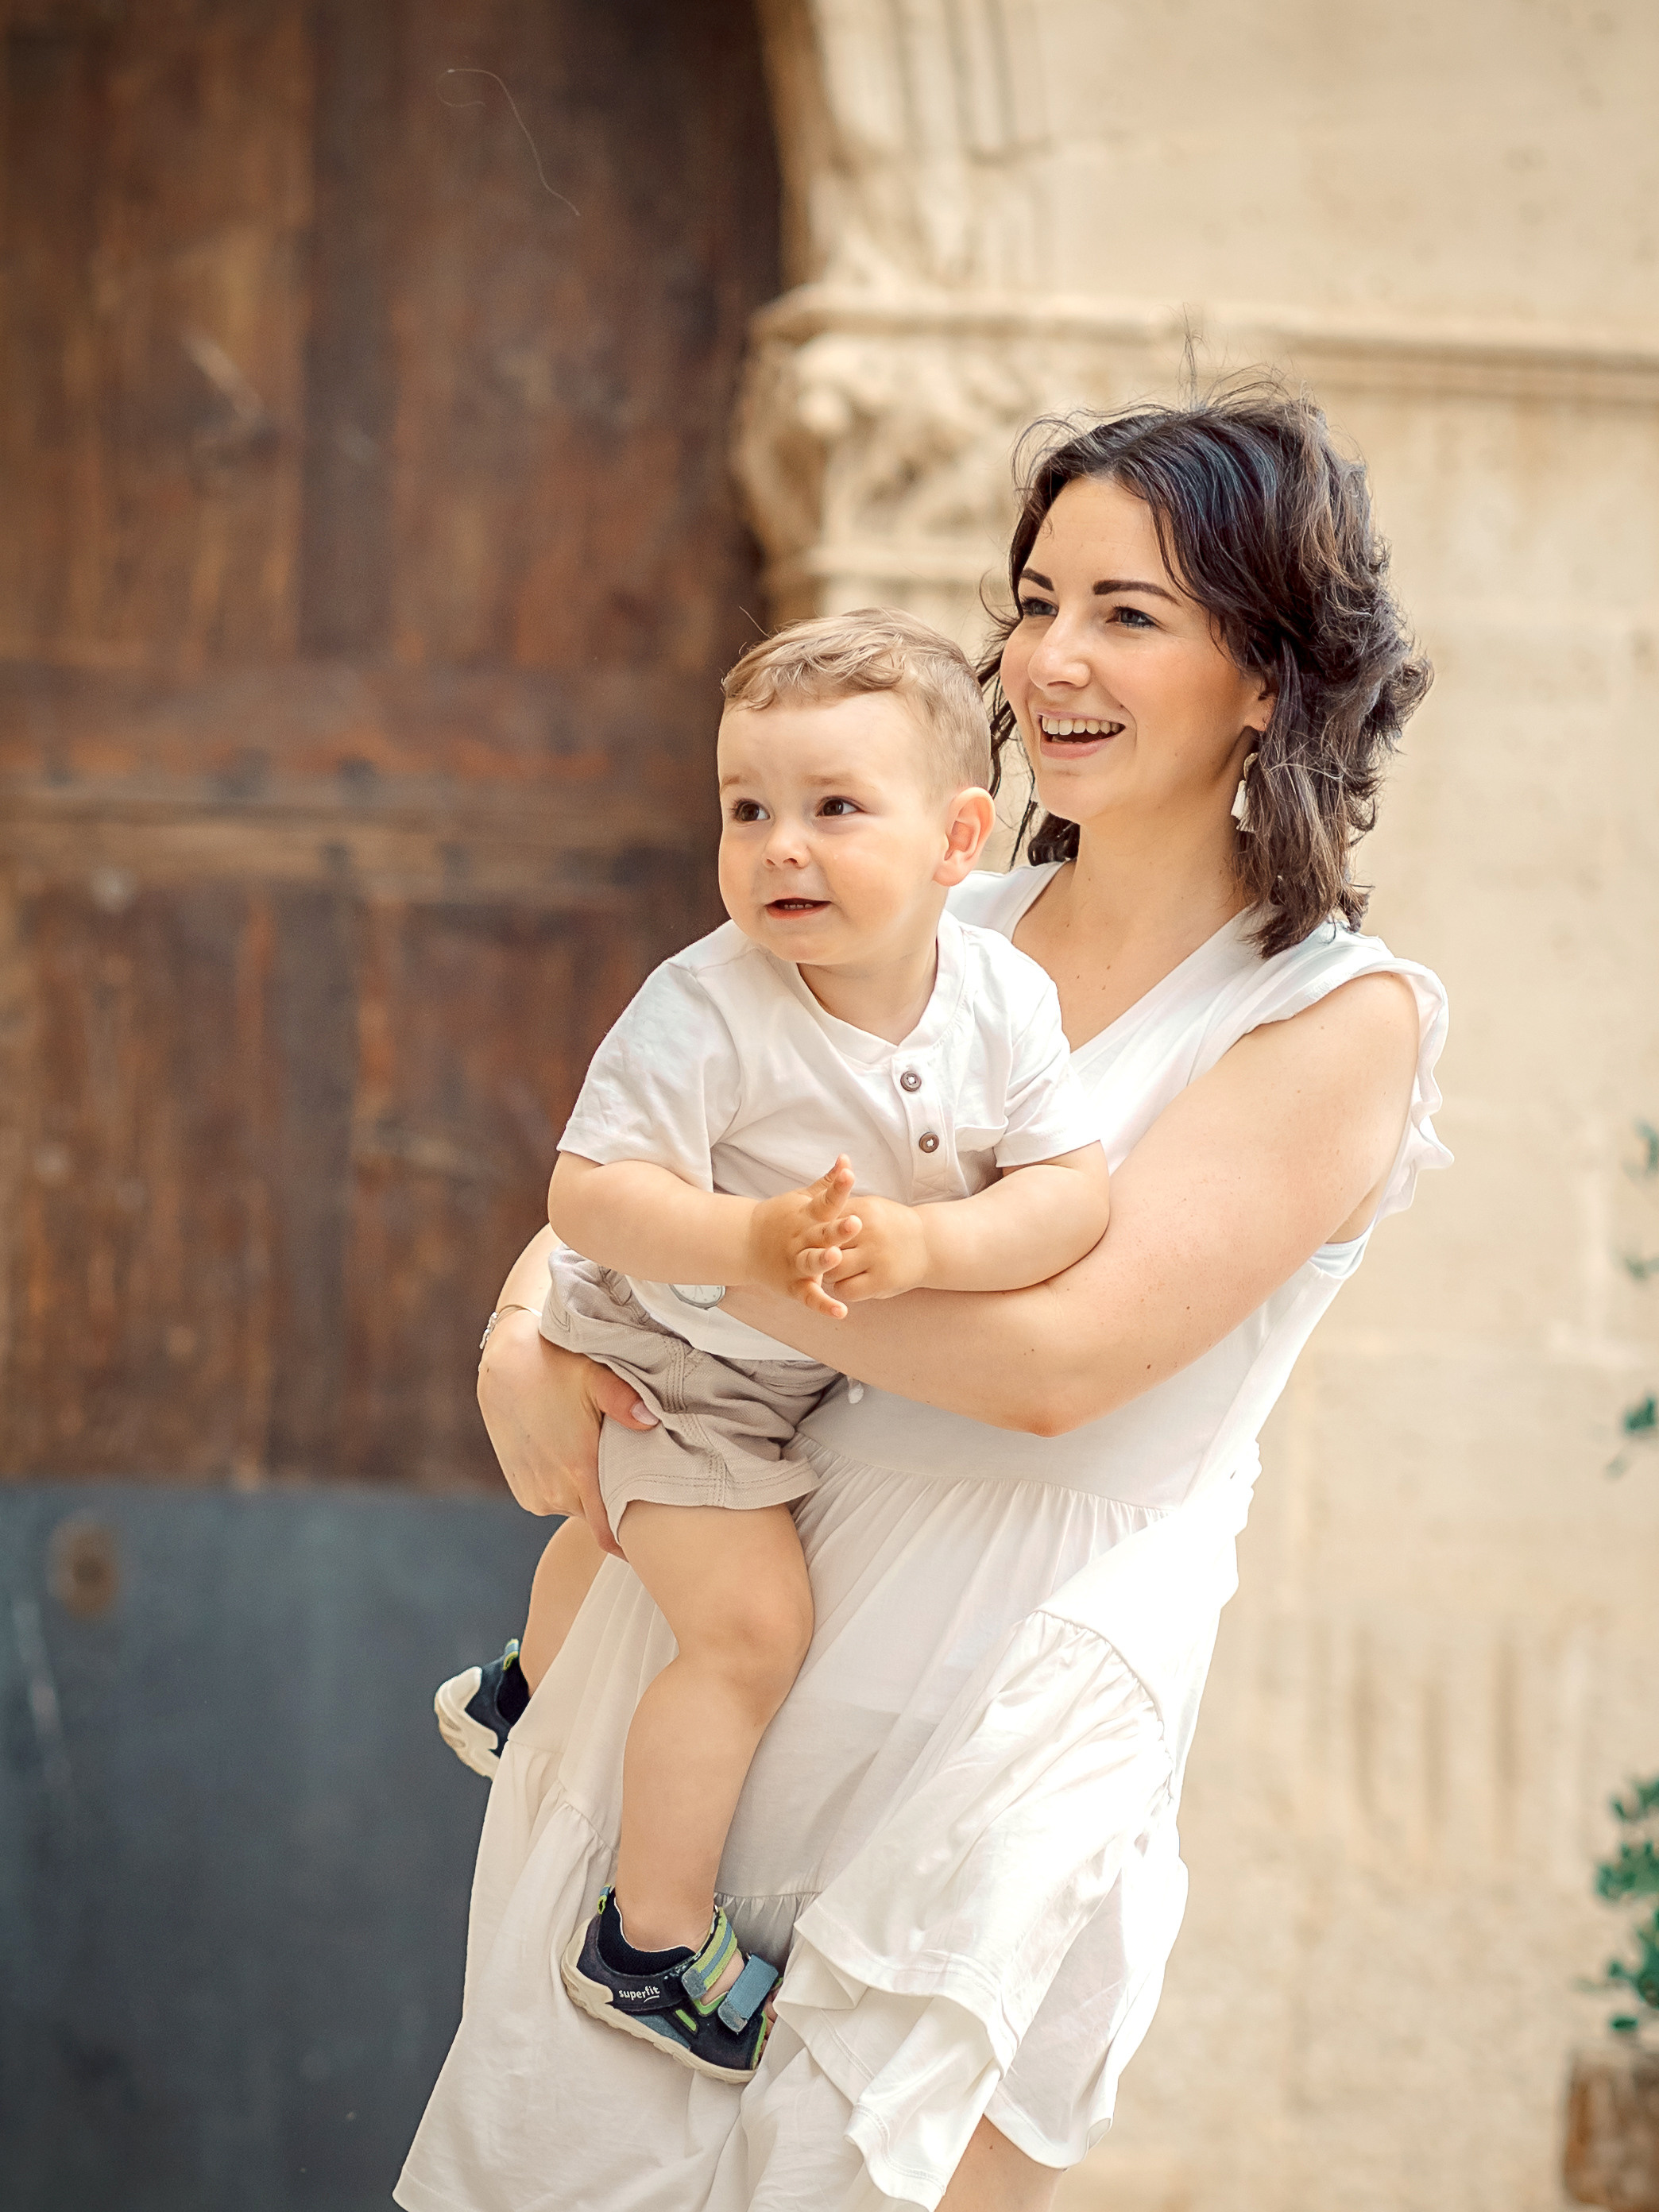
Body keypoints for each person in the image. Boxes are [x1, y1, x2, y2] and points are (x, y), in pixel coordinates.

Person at [396, 382, 1450, 2212]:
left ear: (1272, 677)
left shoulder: (1333, 1020)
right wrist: (521, 1337)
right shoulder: (923, 922)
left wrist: (686, 1275)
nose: (1053, 659)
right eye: (1039, 600)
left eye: (1131, 612)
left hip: (1014, 1681)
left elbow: (1053, 1367)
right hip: (741, 1624)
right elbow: (654, 1126)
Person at [439, 608, 1110, 2084]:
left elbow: (1072, 1189)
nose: (779, 847)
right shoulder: (708, 1005)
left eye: (832, 810)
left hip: (780, 1372)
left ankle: (524, 1691)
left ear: (959, 840)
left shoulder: (1002, 997)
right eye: (747, 810)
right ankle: (652, 1940)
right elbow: (588, 1196)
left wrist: (933, 1245)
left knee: (622, 1555)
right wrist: (745, 1239)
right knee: (748, 1636)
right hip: (671, 1358)